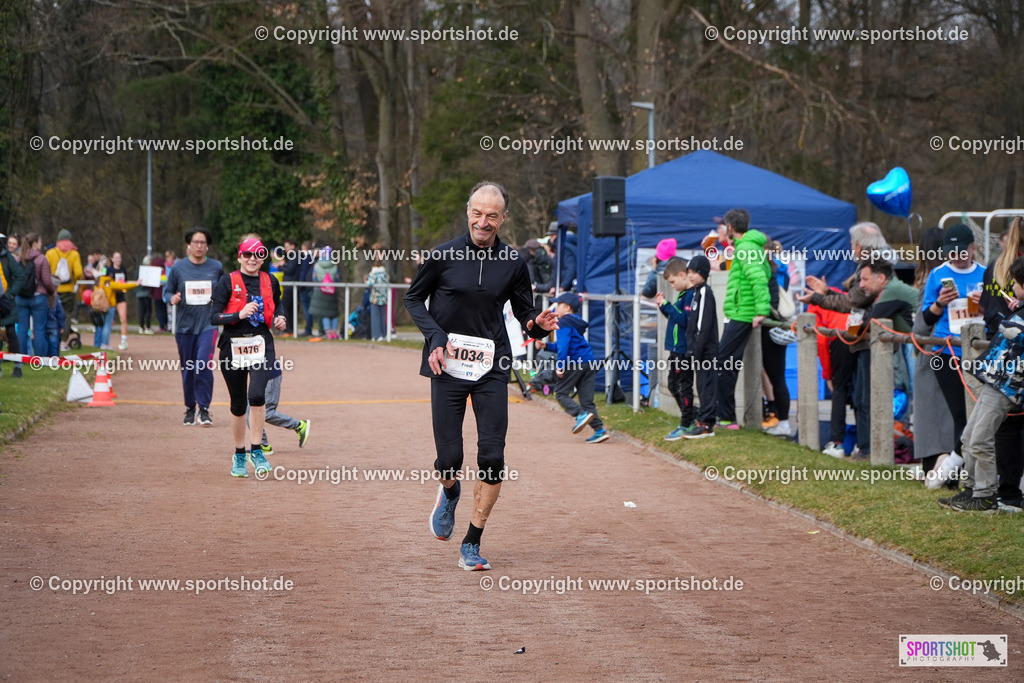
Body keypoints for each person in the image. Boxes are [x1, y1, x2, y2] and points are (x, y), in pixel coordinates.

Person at [405, 181, 557, 572]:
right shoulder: (443, 255)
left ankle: (472, 542)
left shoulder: (513, 262)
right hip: (448, 365)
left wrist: (537, 325)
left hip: (492, 366)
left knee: (492, 457)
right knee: (449, 459)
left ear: (503, 217)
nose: (483, 222)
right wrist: (436, 336)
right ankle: (450, 492)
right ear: (468, 212)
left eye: (492, 215)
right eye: (477, 213)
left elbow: (527, 315)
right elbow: (412, 299)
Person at [937, 257, 1024, 512]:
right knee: (968, 438)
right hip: (993, 382)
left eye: (1016, 284)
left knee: (981, 440)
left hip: (1006, 388)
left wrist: (1008, 324)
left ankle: (986, 495)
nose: (1013, 289)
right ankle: (972, 489)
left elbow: (1015, 335)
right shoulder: (1018, 310)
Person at [210, 235, 287, 477]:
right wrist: (239, 314)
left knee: (256, 395)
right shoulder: (227, 281)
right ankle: (239, 453)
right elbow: (213, 317)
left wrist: (280, 318)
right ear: (239, 257)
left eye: (257, 254)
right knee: (238, 404)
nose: (252, 259)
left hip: (262, 344)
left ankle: (257, 450)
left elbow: (278, 304)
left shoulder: (270, 281)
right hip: (232, 346)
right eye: (247, 254)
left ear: (263, 258)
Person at [920, 223, 984, 464]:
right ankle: (958, 471)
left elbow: (998, 317)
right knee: (960, 412)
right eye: (951, 252)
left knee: (979, 413)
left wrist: (984, 305)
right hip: (946, 353)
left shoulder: (987, 274)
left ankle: (970, 468)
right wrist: (939, 303)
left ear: (973, 248)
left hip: (979, 353)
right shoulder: (937, 275)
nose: (956, 257)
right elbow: (926, 319)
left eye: (962, 251)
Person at [980, 217, 1024, 511]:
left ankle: (1006, 491)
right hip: (1010, 358)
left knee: (1006, 426)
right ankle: (1006, 491)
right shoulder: (999, 269)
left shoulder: (998, 268)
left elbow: (990, 313)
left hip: (1007, 363)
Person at [715, 209, 771, 429]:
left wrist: (761, 311)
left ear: (730, 228)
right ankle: (726, 416)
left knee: (722, 362)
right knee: (726, 362)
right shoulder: (746, 246)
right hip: (741, 312)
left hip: (743, 313)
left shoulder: (747, 247)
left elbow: (759, 278)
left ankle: (727, 417)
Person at [164, 228, 223, 426]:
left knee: (203, 364)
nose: (199, 246)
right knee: (188, 367)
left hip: (208, 324)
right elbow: (167, 292)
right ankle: (190, 408)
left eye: (203, 243)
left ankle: (204, 409)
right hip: (185, 326)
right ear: (188, 245)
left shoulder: (216, 267)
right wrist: (172, 298)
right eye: (195, 242)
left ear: (207, 246)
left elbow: (225, 291)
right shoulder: (178, 268)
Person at [537, 292, 608, 443]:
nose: (555, 309)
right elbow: (570, 344)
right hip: (588, 362)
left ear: (567, 308)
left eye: (559, 305)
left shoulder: (563, 322)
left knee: (561, 393)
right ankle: (599, 430)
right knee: (587, 401)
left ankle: (580, 415)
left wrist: (560, 366)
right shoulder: (575, 321)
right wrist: (547, 346)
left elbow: (564, 347)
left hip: (573, 362)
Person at [654, 257, 694, 440]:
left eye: (672, 282)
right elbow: (675, 317)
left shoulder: (691, 295)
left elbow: (684, 320)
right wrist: (664, 307)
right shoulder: (683, 295)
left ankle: (687, 422)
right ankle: (692, 416)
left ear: (683, 275)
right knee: (672, 385)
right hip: (675, 349)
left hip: (684, 350)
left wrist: (667, 306)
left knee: (683, 386)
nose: (672, 286)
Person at [681, 254, 719, 439]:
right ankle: (703, 419)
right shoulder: (697, 292)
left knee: (706, 386)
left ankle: (706, 423)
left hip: (706, 352)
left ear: (703, 273)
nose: (691, 275)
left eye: (694, 272)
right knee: (701, 385)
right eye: (688, 272)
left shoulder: (705, 292)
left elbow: (703, 325)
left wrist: (696, 350)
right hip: (698, 350)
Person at [252, 368, 311, 456]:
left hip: (269, 376)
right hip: (257, 377)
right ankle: (262, 445)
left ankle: (299, 425)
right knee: (250, 411)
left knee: (266, 412)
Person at [16, 233, 56, 357]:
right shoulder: (41, 259)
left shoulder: (19, 258)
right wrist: (52, 291)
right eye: (40, 242)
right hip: (38, 297)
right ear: (35, 244)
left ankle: (21, 359)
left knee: (22, 329)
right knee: (39, 329)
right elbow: (46, 280)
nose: (41, 244)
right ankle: (39, 359)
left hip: (21, 298)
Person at [45, 229, 83, 344]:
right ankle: (63, 341)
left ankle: (52, 338)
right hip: (68, 290)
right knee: (67, 315)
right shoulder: (74, 254)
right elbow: (78, 273)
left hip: (52, 290)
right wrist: (74, 281)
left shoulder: (50, 253)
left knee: (52, 314)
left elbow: (45, 271)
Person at [93, 263, 137, 349]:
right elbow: (123, 286)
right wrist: (136, 283)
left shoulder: (99, 282)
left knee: (101, 325)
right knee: (107, 326)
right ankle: (105, 344)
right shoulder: (109, 282)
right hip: (109, 306)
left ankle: (99, 343)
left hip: (99, 306)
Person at [0, 233, 26, 377]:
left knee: (11, 332)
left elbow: (20, 276)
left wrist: (11, 293)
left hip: (6, 301)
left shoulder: (7, 258)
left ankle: (17, 366)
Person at [309, 248, 339, 340]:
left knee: (324, 313)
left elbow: (314, 278)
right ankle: (334, 332)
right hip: (332, 291)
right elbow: (337, 278)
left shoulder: (317, 265)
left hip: (320, 291)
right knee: (333, 313)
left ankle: (328, 332)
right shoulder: (334, 265)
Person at [106, 252, 133, 350]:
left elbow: (125, 282)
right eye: (116, 257)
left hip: (121, 297)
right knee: (109, 321)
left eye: (120, 257)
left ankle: (124, 341)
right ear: (112, 259)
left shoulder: (123, 269)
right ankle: (105, 342)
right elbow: (106, 283)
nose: (118, 259)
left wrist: (122, 286)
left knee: (123, 318)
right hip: (111, 298)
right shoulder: (109, 270)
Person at [280, 238, 301, 335]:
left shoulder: (295, 256)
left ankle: (288, 330)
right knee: (289, 308)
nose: (285, 249)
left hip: (291, 287)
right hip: (290, 286)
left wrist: (281, 266)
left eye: (287, 246)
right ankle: (290, 329)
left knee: (287, 308)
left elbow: (290, 270)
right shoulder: (293, 256)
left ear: (293, 246)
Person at [367, 257, 390, 341]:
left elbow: (369, 283)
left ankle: (376, 335)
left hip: (375, 298)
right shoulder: (384, 273)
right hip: (383, 298)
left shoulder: (374, 273)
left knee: (375, 317)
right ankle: (383, 334)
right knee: (382, 317)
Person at [136, 255, 154, 334]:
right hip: (145, 292)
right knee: (147, 310)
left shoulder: (139, 268)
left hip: (140, 292)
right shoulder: (146, 269)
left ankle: (142, 326)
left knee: (142, 310)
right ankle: (147, 326)